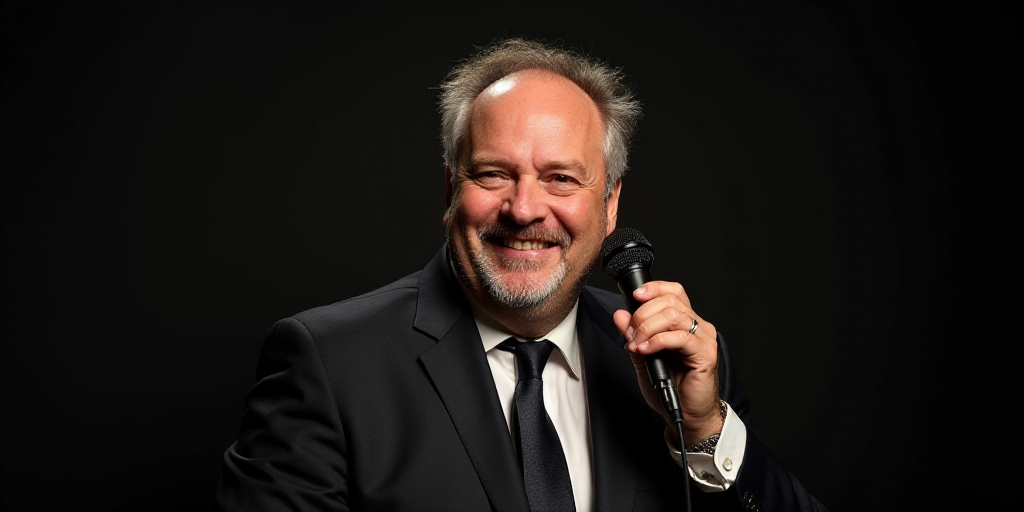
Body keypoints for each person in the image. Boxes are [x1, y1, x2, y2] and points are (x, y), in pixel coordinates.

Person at [217, 37, 828, 512]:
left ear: (610, 204)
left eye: (561, 178)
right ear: (452, 189)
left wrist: (703, 428)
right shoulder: (329, 364)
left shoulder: (681, 365)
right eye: (493, 174)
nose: (525, 209)